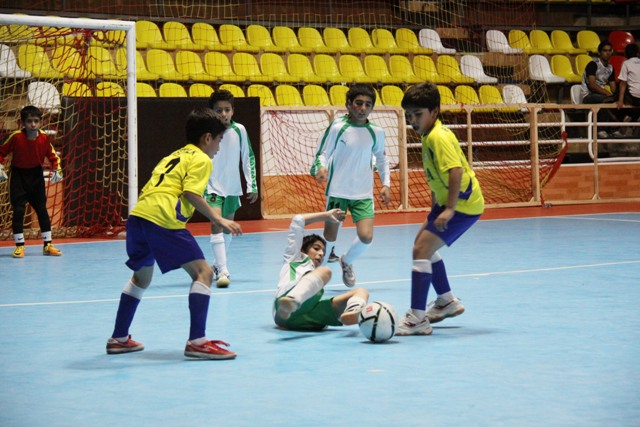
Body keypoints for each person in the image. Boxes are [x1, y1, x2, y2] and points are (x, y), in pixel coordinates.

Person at [106, 108, 242, 360]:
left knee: (141, 279)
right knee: (204, 272)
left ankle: (119, 338)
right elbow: (191, 193)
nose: (219, 148)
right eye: (219, 140)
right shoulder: (202, 159)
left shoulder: (174, 155)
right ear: (207, 138)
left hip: (139, 216)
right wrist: (218, 217)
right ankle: (198, 341)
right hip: (162, 217)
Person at [397, 82, 485, 336]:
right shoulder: (429, 135)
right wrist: (436, 204)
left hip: (463, 205)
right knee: (421, 246)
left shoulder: (438, 136)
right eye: (409, 115)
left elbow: (455, 170)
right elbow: (438, 176)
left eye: (418, 114)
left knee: (422, 249)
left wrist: (449, 209)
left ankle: (417, 319)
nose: (412, 120)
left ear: (434, 111)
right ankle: (446, 300)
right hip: (449, 203)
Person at [310, 83, 391, 287]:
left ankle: (347, 261)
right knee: (329, 238)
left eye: (367, 104)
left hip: (363, 194)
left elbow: (382, 159)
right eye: (358, 103)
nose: (362, 108)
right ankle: (317, 279)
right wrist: (320, 168)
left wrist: (386, 184)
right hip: (338, 191)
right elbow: (322, 153)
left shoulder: (376, 132)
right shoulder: (338, 127)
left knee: (366, 237)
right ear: (348, 104)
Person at [274, 208, 369, 331]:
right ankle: (292, 301)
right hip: (283, 308)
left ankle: (353, 312)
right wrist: (326, 216)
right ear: (303, 249)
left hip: (308, 314)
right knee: (326, 271)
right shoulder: (294, 257)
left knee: (361, 292)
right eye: (316, 248)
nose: (320, 254)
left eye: (323, 252)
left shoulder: (315, 271)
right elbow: (298, 220)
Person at [205, 89, 258, 288]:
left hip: (232, 188)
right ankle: (224, 271)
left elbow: (248, 157)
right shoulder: (207, 132)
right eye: (219, 110)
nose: (223, 114)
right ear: (212, 112)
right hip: (211, 187)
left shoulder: (239, 130)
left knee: (227, 227)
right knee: (216, 224)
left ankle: (219, 264)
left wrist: (251, 185)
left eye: (227, 110)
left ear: (233, 111)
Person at [0, 105, 63, 258]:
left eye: (36, 121)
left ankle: (48, 244)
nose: (33, 124)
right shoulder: (15, 137)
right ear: (22, 123)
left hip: (36, 175)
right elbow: (1, 152)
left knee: (41, 209)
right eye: (29, 121)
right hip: (18, 176)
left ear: (41, 122)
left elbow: (53, 155)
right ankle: (19, 246)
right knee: (19, 210)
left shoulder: (44, 138)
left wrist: (57, 169)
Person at [580, 41, 623, 139]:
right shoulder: (593, 64)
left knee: (618, 101)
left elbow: (612, 86)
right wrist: (608, 94)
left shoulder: (611, 68)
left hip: (601, 95)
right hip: (588, 95)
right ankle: (601, 129)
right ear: (599, 52)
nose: (607, 53)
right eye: (605, 50)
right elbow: (592, 84)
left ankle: (614, 129)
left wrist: (618, 96)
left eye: (609, 51)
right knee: (606, 100)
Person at [617, 43, 640, 132]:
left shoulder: (626, 63)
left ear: (625, 54)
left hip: (634, 98)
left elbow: (623, 83)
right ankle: (633, 119)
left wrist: (620, 100)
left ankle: (629, 118)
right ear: (637, 53)